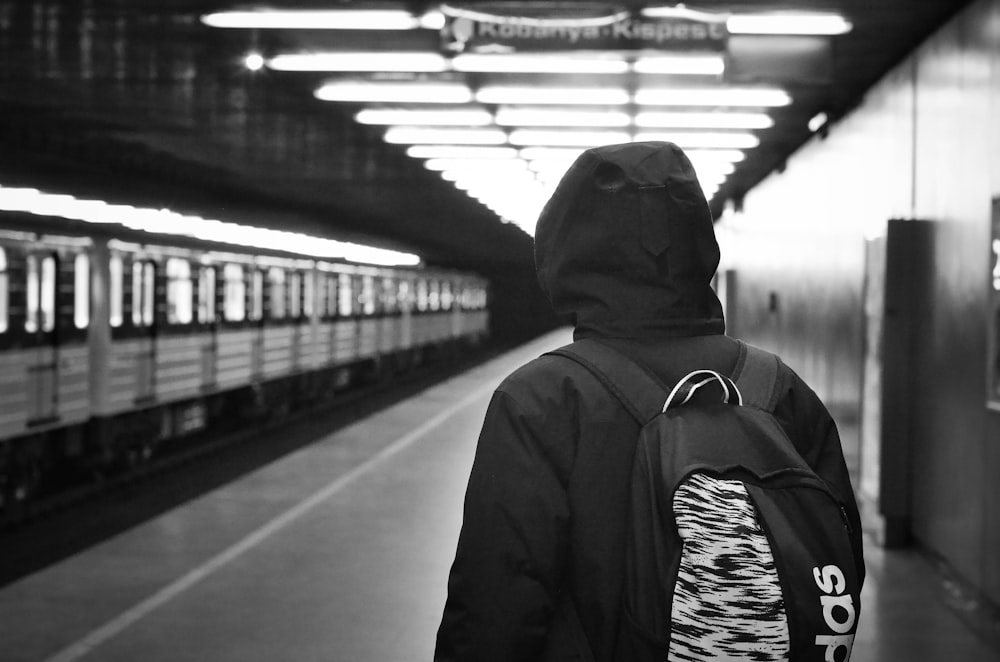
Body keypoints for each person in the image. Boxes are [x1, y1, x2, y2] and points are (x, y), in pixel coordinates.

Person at [434, 141, 864, 662]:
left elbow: (494, 607)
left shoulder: (541, 400)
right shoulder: (783, 390)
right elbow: (836, 561)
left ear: (564, 250)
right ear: (698, 244)